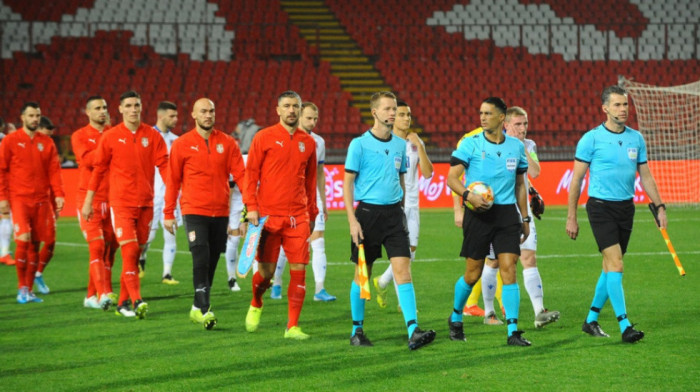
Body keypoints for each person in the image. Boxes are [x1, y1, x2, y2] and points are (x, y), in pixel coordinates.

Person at [566, 85, 663, 343]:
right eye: (618, 105)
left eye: (626, 105)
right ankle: (625, 325)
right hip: (600, 207)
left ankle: (591, 320)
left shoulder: (636, 138)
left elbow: (645, 175)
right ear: (605, 108)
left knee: (609, 267)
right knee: (617, 264)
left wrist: (659, 205)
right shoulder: (591, 139)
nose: (623, 109)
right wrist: (571, 216)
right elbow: (575, 180)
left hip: (625, 208)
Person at [344, 91, 436, 350]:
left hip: (395, 215)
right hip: (367, 216)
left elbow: (402, 180)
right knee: (364, 274)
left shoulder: (399, 145)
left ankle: (413, 330)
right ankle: (357, 330)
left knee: (403, 271)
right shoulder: (359, 144)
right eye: (387, 109)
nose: (392, 113)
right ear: (374, 112)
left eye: (394, 108)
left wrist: (402, 209)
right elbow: (347, 183)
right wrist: (352, 220)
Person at [446, 97, 532, 346]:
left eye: (488, 113)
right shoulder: (470, 144)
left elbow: (520, 185)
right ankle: (455, 317)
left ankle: (513, 332)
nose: (482, 117)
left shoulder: (516, 147)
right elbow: (452, 178)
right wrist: (468, 195)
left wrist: (524, 217)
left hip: (506, 214)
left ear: (501, 118)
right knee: (472, 274)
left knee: (510, 270)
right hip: (478, 215)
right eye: (480, 113)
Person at [82, 90, 168, 319]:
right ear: (120, 109)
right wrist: (88, 201)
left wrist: (174, 193)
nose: (133, 109)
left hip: (146, 204)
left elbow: (165, 166)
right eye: (128, 105)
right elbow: (98, 169)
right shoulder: (110, 137)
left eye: (136, 105)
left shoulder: (152, 135)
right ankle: (137, 299)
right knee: (129, 250)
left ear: (141, 107)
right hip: (120, 204)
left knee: (134, 254)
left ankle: (122, 303)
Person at [242, 90, 318, 340]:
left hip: (298, 217)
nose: (292, 111)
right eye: (287, 106)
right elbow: (250, 175)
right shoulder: (263, 137)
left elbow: (310, 182)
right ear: (278, 110)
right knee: (266, 273)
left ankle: (292, 326)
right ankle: (256, 301)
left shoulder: (308, 143)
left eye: (295, 106)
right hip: (268, 217)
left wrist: (313, 212)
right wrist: (250, 207)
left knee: (299, 270)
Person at [164, 98, 246, 329]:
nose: (208, 115)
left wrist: (251, 205)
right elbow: (173, 180)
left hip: (220, 211)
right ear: (193, 114)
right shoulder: (182, 144)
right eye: (203, 111)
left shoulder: (228, 143)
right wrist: (168, 211)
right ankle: (205, 308)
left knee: (210, 261)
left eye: (211, 111)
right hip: (194, 210)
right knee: (200, 255)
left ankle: (196, 308)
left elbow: (241, 175)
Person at [271, 102, 336, 302]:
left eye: (315, 118)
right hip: (290, 196)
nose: (312, 122)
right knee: (286, 243)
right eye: (308, 118)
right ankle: (277, 283)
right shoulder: (284, 138)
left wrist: (323, 202)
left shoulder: (319, 142)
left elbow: (319, 174)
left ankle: (319, 289)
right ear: (298, 116)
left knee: (318, 242)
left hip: (312, 196)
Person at [0, 102, 65, 304]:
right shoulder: (11, 141)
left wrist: (59, 194)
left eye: (37, 115)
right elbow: (1, 170)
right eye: (31, 115)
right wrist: (2, 198)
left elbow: (54, 170)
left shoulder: (46, 142)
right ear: (22, 117)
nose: (35, 119)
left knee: (36, 245)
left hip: (41, 201)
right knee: (23, 240)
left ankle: (28, 290)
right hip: (19, 199)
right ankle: (21, 288)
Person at [373, 100, 433, 310]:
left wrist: (419, 145)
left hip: (413, 206)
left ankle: (382, 282)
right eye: (402, 115)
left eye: (408, 115)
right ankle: (404, 304)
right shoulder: (385, 142)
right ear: (392, 117)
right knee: (402, 255)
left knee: (411, 252)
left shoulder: (415, 144)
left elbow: (427, 173)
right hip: (394, 206)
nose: (406, 118)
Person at [503, 106, 560, 327]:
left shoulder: (529, 145)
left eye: (525, 124)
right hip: (501, 211)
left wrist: (521, 148)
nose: (523, 128)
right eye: (518, 124)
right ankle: (488, 311)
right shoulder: (496, 144)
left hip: (523, 211)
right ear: (506, 125)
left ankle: (539, 312)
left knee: (529, 259)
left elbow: (534, 171)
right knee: (493, 263)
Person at [452, 127, 505, 322]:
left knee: (502, 261)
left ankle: (500, 308)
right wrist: (458, 209)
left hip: (503, 210)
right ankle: (465, 308)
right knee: (477, 266)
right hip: (477, 209)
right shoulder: (469, 140)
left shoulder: (508, 140)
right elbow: (455, 177)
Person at [72, 96, 118, 310]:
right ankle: (103, 293)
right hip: (89, 198)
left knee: (110, 249)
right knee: (97, 246)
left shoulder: (115, 133)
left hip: (113, 198)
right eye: (97, 108)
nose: (102, 111)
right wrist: (107, 150)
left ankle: (93, 295)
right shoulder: (79, 136)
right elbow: (87, 160)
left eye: (105, 107)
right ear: (87, 112)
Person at [139, 101, 181, 284]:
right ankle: (141, 259)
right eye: (172, 116)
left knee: (171, 233)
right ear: (161, 116)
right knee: (149, 236)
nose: (176, 119)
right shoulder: (146, 136)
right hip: (152, 194)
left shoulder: (177, 140)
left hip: (172, 196)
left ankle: (167, 273)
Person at [32, 116, 59, 294]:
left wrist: (58, 196)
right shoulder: (21, 144)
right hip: (25, 199)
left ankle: (37, 273)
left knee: (50, 241)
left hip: (47, 198)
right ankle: (25, 284)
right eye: (47, 129)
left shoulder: (48, 145)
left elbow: (55, 171)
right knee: (30, 244)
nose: (50, 132)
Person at [0, 118, 16, 266]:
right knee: (6, 218)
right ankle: (4, 253)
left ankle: (4, 253)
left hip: (5, 184)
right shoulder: (5, 141)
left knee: (6, 217)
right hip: (3, 184)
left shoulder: (6, 140)